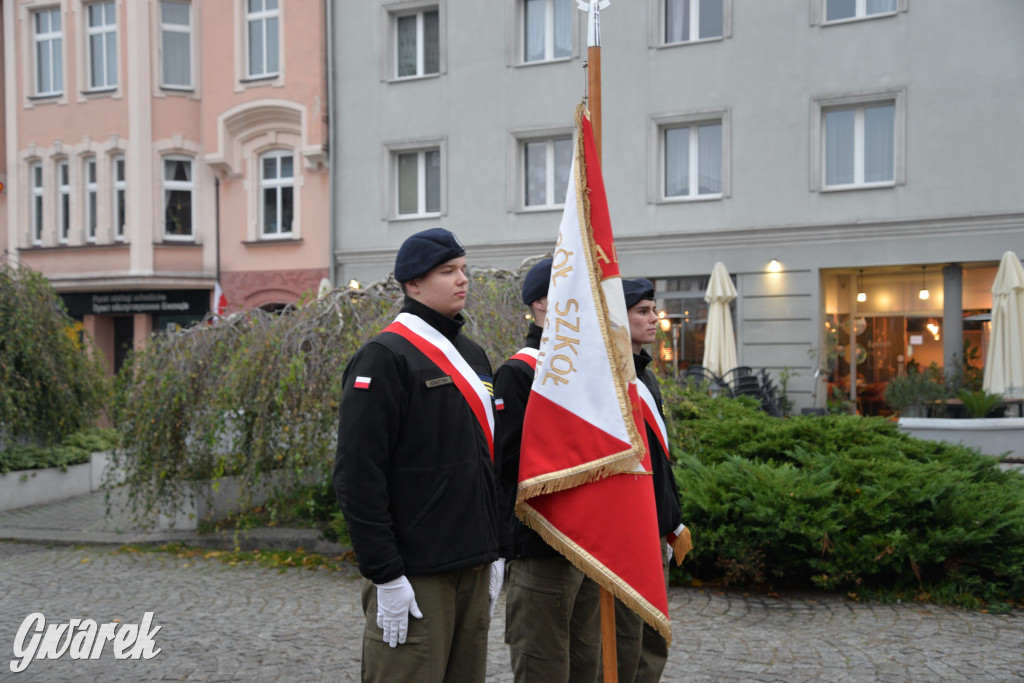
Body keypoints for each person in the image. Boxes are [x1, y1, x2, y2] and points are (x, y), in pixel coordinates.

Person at [334, 228, 502, 683]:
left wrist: (496, 550)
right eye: (448, 271)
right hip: (416, 572)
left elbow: (489, 462)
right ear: (412, 284)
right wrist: (385, 574)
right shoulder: (384, 357)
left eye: (464, 269)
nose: (462, 279)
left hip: (472, 561)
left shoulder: (473, 355)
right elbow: (358, 475)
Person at [493, 258, 602, 682]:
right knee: (543, 667)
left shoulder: (587, 372)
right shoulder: (518, 373)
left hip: (587, 546)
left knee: (584, 666)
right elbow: (509, 467)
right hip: (541, 544)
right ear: (541, 302)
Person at [612, 278, 690, 683]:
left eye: (653, 310)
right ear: (617, 318)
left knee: (654, 639)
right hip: (627, 532)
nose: (654, 318)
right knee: (629, 642)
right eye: (642, 311)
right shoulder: (612, 380)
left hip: (654, 525)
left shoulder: (647, 377)